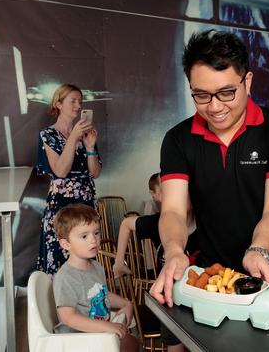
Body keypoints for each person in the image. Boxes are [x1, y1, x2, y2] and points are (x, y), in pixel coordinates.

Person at [150, 29, 269, 351]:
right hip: (205, 272)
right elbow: (174, 210)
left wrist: (258, 249)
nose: (214, 107)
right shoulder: (178, 139)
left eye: (226, 93)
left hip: (264, 275)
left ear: (248, 81)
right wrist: (175, 251)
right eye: (201, 95)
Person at [52, 204, 138, 352]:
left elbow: (101, 293)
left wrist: (125, 303)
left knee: (133, 343)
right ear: (66, 244)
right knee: (129, 345)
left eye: (96, 233)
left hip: (98, 334)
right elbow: (68, 317)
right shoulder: (66, 277)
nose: (93, 240)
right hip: (77, 341)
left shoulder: (97, 266)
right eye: (84, 236)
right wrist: (107, 326)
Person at [36, 84, 102, 275]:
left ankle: (86, 302)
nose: (78, 106)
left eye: (80, 101)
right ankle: (60, 304)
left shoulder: (84, 135)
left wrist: (90, 147)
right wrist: (73, 137)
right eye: (72, 101)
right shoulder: (47, 135)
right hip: (62, 207)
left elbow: (95, 172)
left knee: (86, 258)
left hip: (86, 202)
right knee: (60, 257)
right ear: (58, 103)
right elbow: (61, 171)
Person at [113, 173, 197, 278]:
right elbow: (126, 224)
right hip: (166, 291)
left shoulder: (206, 224)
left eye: (186, 188)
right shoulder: (156, 222)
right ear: (159, 196)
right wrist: (119, 263)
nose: (180, 195)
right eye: (171, 191)